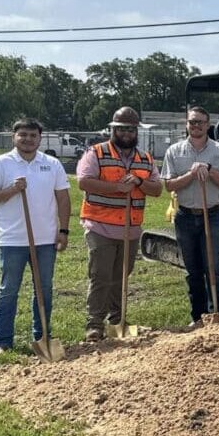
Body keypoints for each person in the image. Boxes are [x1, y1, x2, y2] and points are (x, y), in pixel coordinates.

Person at [0, 118, 70, 355]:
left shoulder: (52, 164)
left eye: (33, 135)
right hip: (12, 240)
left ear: (40, 138)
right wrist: (12, 189)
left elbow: (63, 198)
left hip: (45, 240)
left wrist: (63, 230)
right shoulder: (1, 164)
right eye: (23, 135)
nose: (28, 139)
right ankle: (3, 341)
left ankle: (42, 337)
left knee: (44, 288)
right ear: (14, 137)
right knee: (9, 289)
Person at [77, 106, 163, 341]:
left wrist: (138, 182)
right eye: (122, 128)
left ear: (137, 131)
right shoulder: (96, 153)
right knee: (101, 275)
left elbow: (157, 189)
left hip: (130, 228)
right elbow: (84, 182)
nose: (126, 133)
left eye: (131, 129)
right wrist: (117, 187)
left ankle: (118, 320)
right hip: (100, 226)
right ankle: (94, 324)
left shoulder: (145, 159)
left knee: (121, 275)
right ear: (113, 129)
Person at [161, 107, 219, 325]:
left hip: (211, 215)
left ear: (208, 124)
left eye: (200, 122)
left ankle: (218, 314)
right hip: (185, 216)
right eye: (192, 122)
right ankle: (198, 317)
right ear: (187, 124)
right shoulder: (175, 151)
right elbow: (169, 185)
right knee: (192, 269)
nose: (196, 126)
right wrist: (191, 174)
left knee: (213, 267)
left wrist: (210, 170)